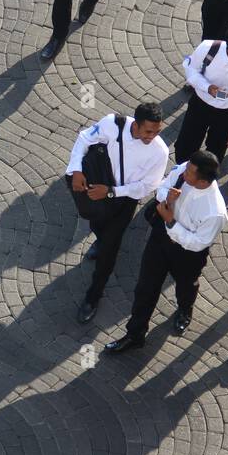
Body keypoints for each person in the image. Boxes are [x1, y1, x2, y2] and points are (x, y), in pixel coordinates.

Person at [103, 150, 228, 350]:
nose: (184, 173)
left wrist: (171, 222)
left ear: (203, 181)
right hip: (160, 240)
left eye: (189, 173)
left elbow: (198, 243)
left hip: (187, 254)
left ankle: (185, 309)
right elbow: (163, 186)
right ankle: (135, 334)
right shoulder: (185, 170)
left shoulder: (215, 212)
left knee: (186, 285)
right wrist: (167, 199)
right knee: (145, 288)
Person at [65, 102, 170, 324]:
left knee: (110, 250)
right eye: (148, 131)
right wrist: (76, 169)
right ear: (136, 125)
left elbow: (148, 186)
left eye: (157, 131)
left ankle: (93, 295)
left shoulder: (160, 152)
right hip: (100, 186)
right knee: (95, 222)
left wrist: (112, 192)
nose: (153, 136)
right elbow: (85, 138)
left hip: (124, 201)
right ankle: (100, 240)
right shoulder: (112, 124)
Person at [173, 24, 228, 164]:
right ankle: (179, 177)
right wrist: (207, 87)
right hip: (200, 105)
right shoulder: (208, 48)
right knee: (185, 146)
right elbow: (191, 69)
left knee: (216, 152)